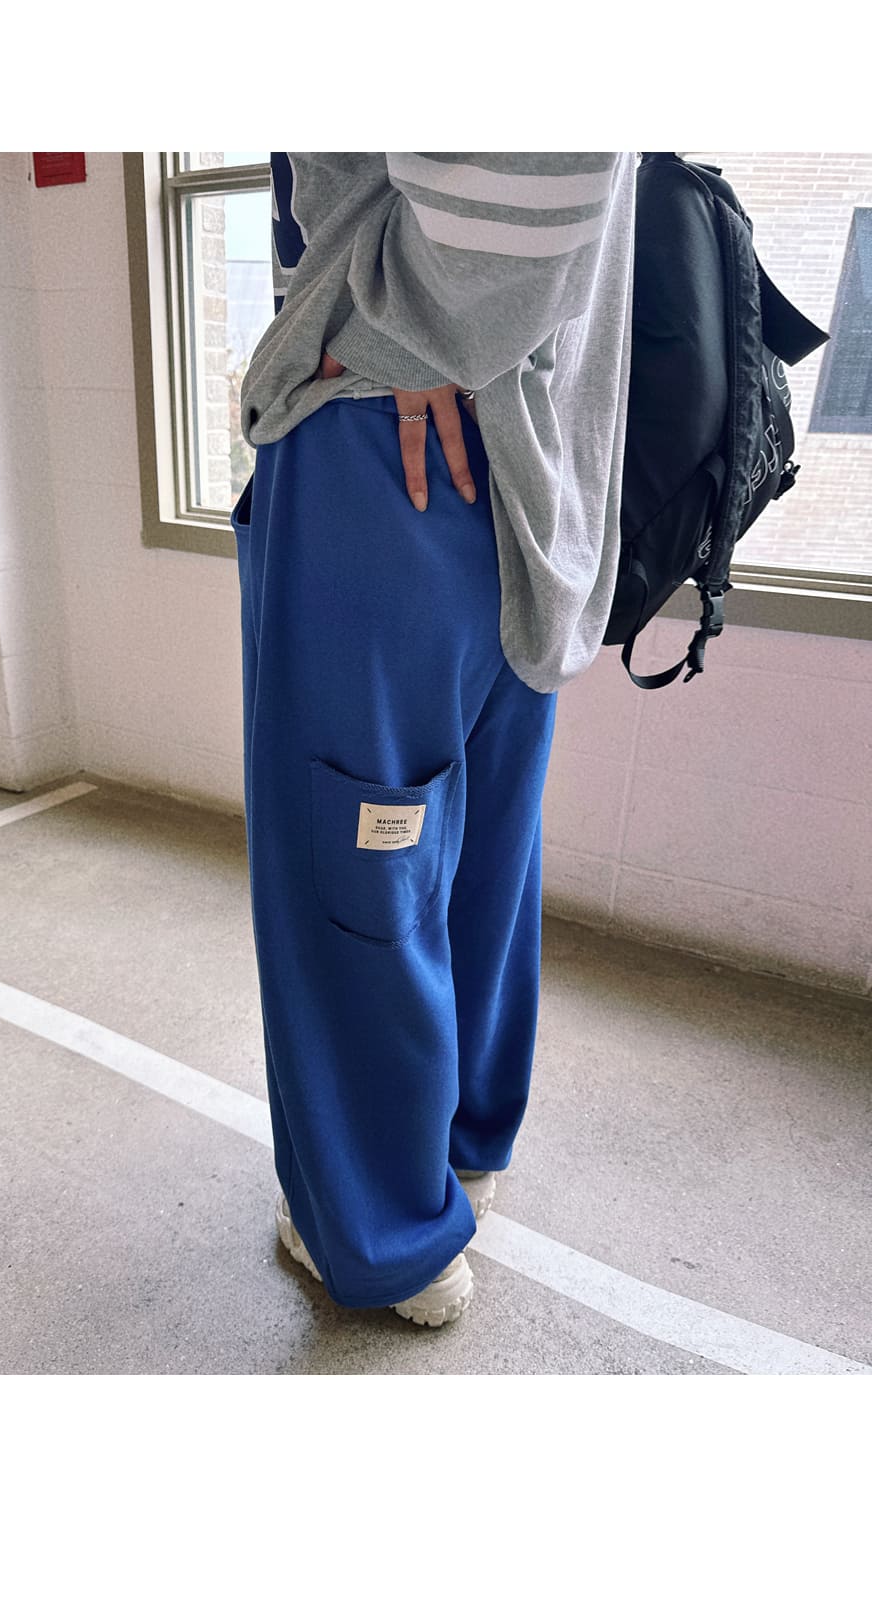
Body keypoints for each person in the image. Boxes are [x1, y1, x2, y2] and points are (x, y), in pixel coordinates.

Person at [231, 152, 636, 1326]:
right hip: (528, 459)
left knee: (353, 864)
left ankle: (381, 1232)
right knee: (474, 845)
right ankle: (458, 1144)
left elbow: (534, 158)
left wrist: (402, 338)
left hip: (396, 444)